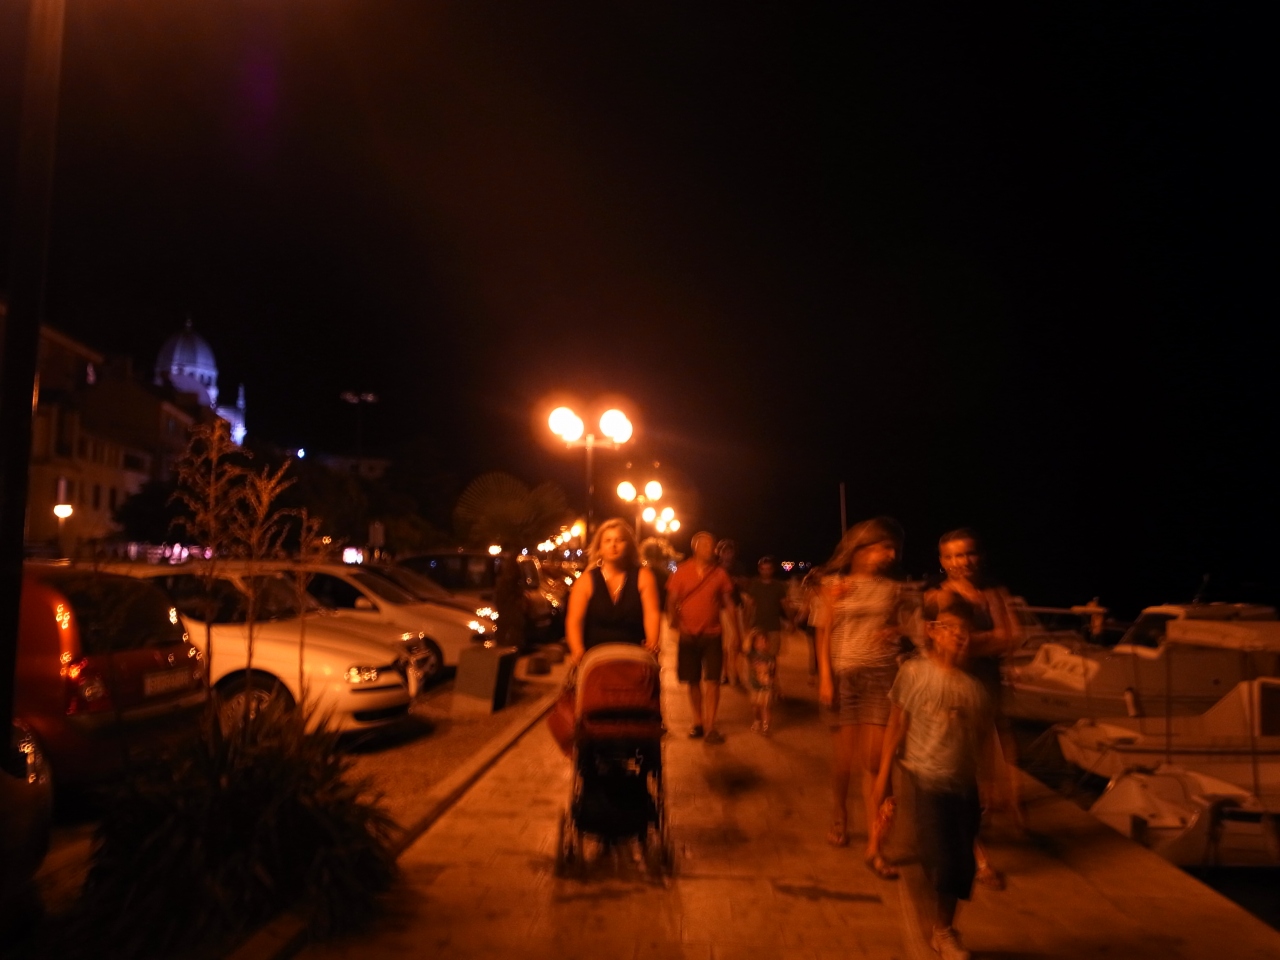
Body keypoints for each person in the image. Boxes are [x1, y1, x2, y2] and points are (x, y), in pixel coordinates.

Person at [873, 598, 995, 960]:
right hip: (923, 779)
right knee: (939, 857)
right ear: (933, 631)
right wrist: (883, 776)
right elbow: (896, 724)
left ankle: (943, 928)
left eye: (964, 630)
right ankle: (939, 928)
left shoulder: (974, 688)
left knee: (961, 865)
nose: (958, 635)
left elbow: (982, 739)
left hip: (963, 785)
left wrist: (990, 783)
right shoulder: (913, 672)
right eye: (949, 627)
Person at [815, 516, 916, 878]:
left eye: (893, 549)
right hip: (845, 676)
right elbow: (823, 632)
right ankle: (840, 811)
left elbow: (913, 624)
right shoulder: (833, 585)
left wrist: (896, 629)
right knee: (844, 762)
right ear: (861, 548)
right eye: (883, 547)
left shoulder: (893, 588)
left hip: (881, 675)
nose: (890, 555)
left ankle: (876, 845)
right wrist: (826, 678)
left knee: (875, 761)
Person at [927, 528, 1025, 887]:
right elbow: (940, 645)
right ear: (942, 561)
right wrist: (989, 640)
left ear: (979, 555)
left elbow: (1013, 636)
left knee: (987, 774)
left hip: (989, 692)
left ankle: (974, 831)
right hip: (956, 692)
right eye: (952, 556)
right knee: (960, 772)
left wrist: (972, 642)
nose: (961, 562)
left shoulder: (994, 593)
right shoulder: (940, 596)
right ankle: (978, 857)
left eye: (967, 553)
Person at [666, 531, 737, 744]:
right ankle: (697, 721)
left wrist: (737, 633)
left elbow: (729, 603)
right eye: (707, 546)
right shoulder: (681, 571)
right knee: (693, 680)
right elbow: (671, 600)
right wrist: (675, 624)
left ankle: (710, 726)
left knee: (713, 680)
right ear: (696, 547)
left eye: (712, 546)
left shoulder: (719, 574)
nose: (712, 550)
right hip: (688, 636)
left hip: (713, 634)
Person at [564, 518, 662, 662]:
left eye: (619, 540)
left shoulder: (643, 576)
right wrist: (577, 650)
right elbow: (574, 620)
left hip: (634, 653)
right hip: (595, 656)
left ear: (629, 546)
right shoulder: (586, 581)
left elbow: (652, 614)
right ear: (599, 547)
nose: (613, 545)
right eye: (607, 541)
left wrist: (652, 643)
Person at [715, 538, 748, 687]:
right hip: (719, 608)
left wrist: (737, 581)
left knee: (736, 642)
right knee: (722, 644)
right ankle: (724, 673)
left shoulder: (738, 567)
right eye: (724, 551)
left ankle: (736, 672)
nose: (727, 554)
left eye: (730, 551)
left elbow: (746, 584)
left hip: (736, 607)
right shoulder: (715, 567)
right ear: (719, 552)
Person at [746, 628, 777, 735]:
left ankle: (766, 726)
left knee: (766, 707)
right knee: (755, 706)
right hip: (754, 686)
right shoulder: (752, 655)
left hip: (766, 687)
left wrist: (773, 683)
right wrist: (750, 636)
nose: (762, 643)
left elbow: (773, 672)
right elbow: (745, 648)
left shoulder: (770, 657)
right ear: (754, 644)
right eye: (759, 641)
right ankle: (757, 720)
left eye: (764, 641)